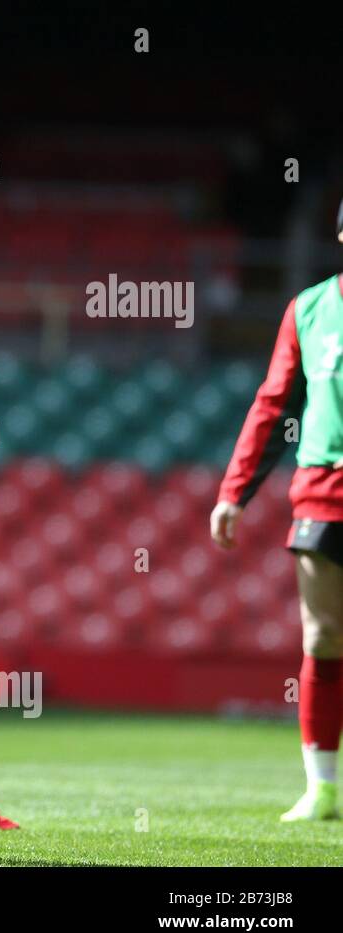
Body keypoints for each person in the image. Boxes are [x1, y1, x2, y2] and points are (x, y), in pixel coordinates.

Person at [212, 208, 343, 822]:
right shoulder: (309, 309)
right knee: (323, 635)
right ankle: (321, 786)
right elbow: (273, 404)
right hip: (324, 489)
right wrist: (234, 492)